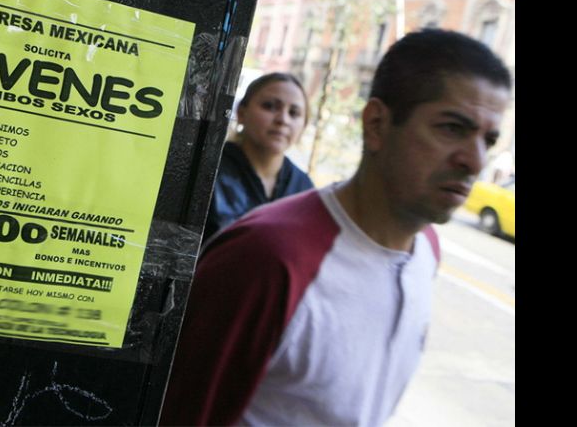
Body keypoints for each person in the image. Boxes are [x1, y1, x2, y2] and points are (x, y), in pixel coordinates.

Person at [160, 28, 512, 427]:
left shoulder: (426, 250)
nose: (475, 161)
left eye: (489, 139)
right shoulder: (266, 258)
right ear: (376, 124)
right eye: (452, 128)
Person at [203, 72, 314, 243]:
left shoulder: (304, 188)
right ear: (241, 113)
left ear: (303, 126)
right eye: (270, 106)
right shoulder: (208, 170)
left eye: (294, 113)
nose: (283, 119)